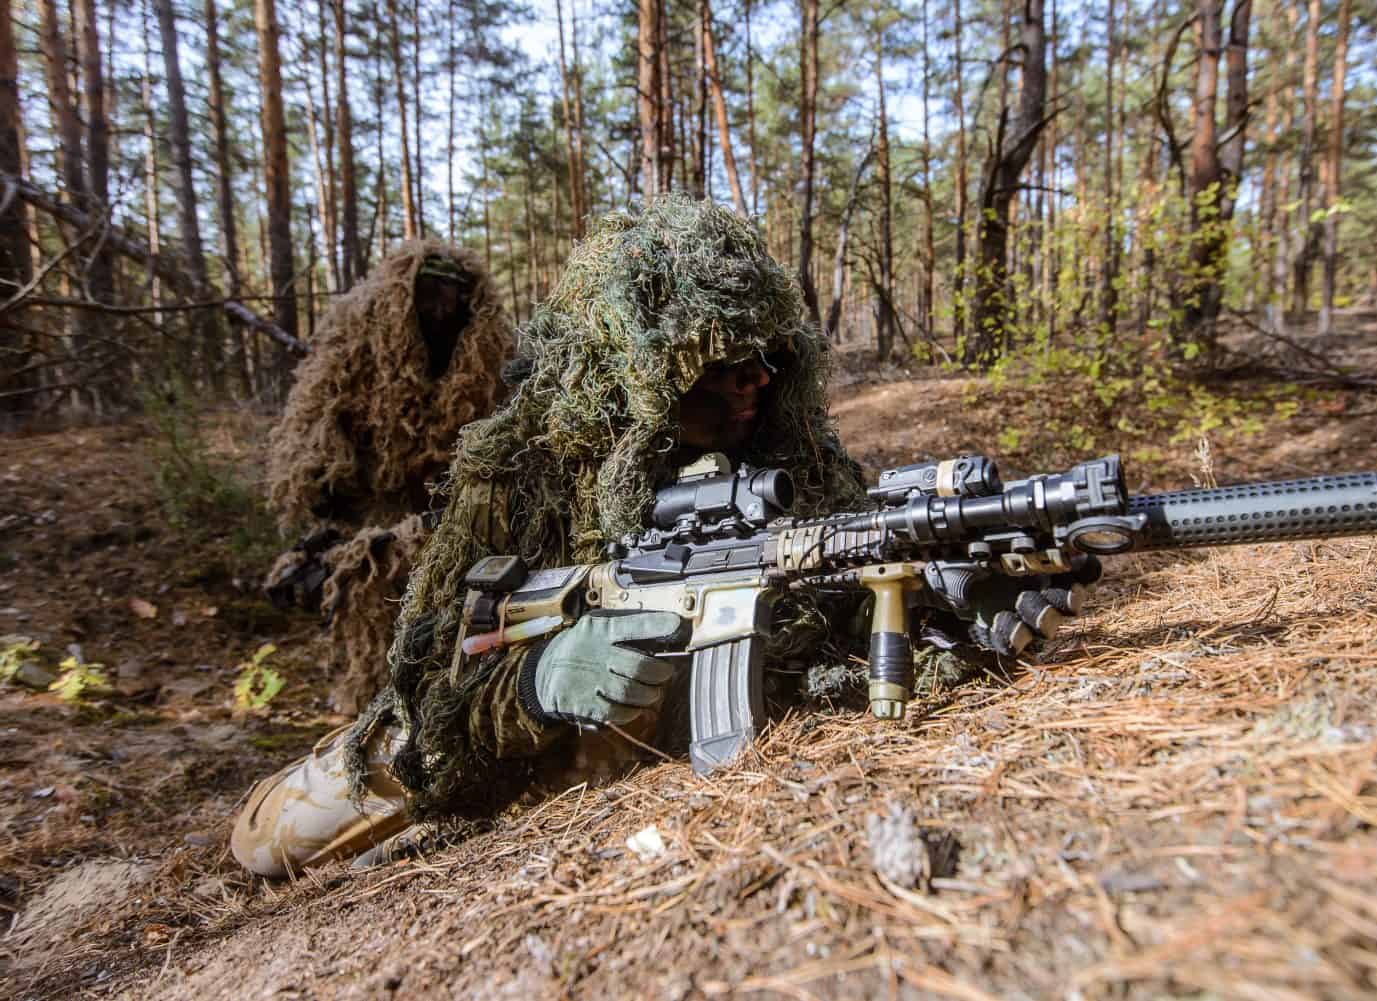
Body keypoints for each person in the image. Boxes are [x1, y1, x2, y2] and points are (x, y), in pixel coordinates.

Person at [231, 197, 1092, 879]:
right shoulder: (521, 474)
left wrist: (944, 609)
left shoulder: (790, 454)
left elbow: (849, 600)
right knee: (270, 841)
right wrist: (537, 681)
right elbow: (433, 686)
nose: (755, 377)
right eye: (720, 359)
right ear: (637, 369)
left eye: (766, 353)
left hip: (642, 768)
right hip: (512, 750)